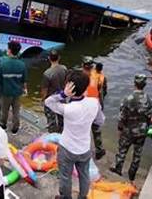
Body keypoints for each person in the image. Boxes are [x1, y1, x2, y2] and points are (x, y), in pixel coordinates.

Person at [45, 71, 104, 199]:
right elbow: (100, 121)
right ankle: (83, 197)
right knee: (84, 175)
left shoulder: (68, 109)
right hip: (84, 148)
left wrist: (63, 94)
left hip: (67, 149)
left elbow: (48, 102)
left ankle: (66, 197)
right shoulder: (94, 103)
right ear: (86, 86)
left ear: (69, 87)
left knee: (65, 177)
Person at [109, 74, 152, 184]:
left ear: (134, 84)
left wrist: (120, 129)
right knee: (137, 153)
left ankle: (118, 169)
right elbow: (149, 117)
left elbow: (122, 117)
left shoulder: (128, 99)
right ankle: (132, 174)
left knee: (122, 151)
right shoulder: (148, 99)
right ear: (144, 85)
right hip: (142, 131)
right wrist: (146, 128)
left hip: (128, 131)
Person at [0, 40, 27, 135]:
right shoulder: (22, 65)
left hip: (5, 92)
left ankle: (3, 124)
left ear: (9, 50)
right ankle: (15, 128)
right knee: (16, 111)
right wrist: (24, 89)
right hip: (17, 92)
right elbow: (24, 80)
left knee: (4, 110)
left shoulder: (3, 64)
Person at [82, 57, 106, 160]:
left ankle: (83, 149)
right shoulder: (98, 77)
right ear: (92, 67)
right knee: (96, 130)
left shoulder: (77, 77)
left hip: (82, 107)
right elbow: (102, 92)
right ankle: (99, 150)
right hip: (94, 107)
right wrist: (101, 105)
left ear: (83, 66)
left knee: (83, 130)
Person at [40, 50, 67, 133]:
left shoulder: (47, 73)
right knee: (62, 118)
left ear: (49, 58)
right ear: (59, 58)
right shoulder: (64, 68)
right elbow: (66, 82)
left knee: (51, 120)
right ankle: (61, 134)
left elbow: (44, 90)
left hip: (50, 99)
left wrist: (43, 100)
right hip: (62, 97)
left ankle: (53, 137)